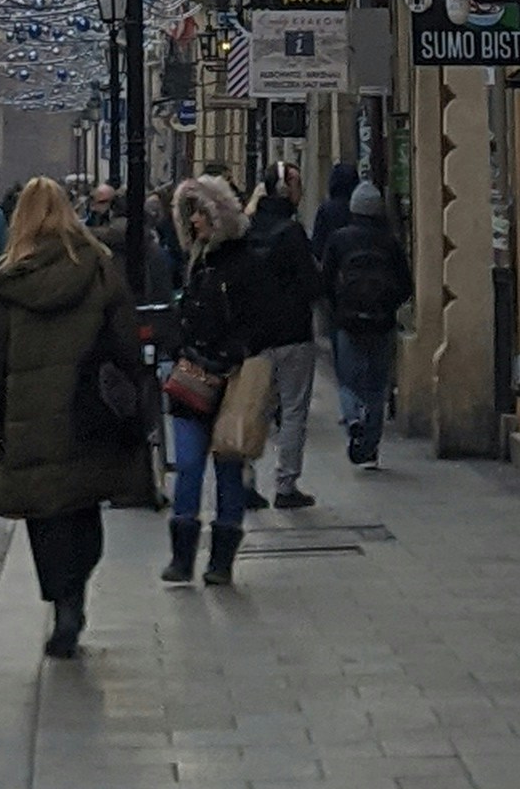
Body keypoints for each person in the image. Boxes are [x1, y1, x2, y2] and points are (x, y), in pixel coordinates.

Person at [0, 177, 154, 658]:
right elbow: (125, 344)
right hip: (87, 411)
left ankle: (61, 599)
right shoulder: (98, 268)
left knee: (44, 513)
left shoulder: (6, 282)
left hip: (30, 419)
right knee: (83, 504)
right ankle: (75, 592)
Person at [161, 174, 274, 587]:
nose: (193, 223)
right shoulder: (198, 260)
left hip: (231, 379)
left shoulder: (247, 263)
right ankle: (181, 554)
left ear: (217, 216)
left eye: (200, 214)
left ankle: (222, 558)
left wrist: (231, 354)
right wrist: (180, 347)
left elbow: (262, 321)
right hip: (192, 378)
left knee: (228, 465)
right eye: (188, 215)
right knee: (188, 465)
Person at [244, 176, 322, 512]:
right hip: (293, 334)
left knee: (254, 410)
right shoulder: (292, 232)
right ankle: (286, 485)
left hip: (255, 336)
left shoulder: (246, 232)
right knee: (292, 410)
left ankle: (245, 482)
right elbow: (312, 283)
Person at [321, 177, 409, 466]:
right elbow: (405, 285)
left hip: (347, 321)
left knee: (348, 380)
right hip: (381, 322)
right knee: (376, 385)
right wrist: (389, 306)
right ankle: (370, 448)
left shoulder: (339, 239)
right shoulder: (391, 242)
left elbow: (326, 280)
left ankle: (353, 417)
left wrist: (337, 309)